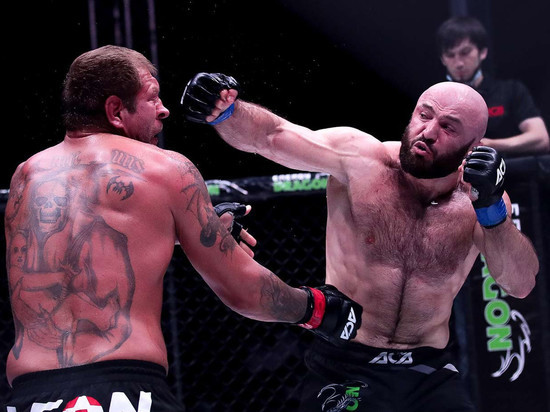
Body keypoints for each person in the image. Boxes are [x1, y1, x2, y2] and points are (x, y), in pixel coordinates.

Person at [3, 46, 363, 412]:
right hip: (122, 389)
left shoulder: (26, 176)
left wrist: (186, 232)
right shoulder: (165, 168)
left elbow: (69, 255)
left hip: (29, 395)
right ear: (116, 111)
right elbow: (245, 292)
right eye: (152, 97)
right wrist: (317, 309)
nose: (164, 110)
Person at [181, 73, 540, 411]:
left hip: (429, 370)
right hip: (344, 362)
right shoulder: (361, 159)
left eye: (448, 127)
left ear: (474, 147)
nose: (429, 132)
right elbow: (272, 135)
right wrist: (225, 109)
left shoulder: (480, 201)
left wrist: (492, 210)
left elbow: (520, 284)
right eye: (424, 115)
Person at [436, 16, 549, 157]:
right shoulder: (435, 100)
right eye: (450, 55)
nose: (459, 63)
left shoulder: (511, 91)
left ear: (482, 52)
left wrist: (489, 145)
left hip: (509, 168)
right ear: (442, 59)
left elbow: (541, 138)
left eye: (465, 52)